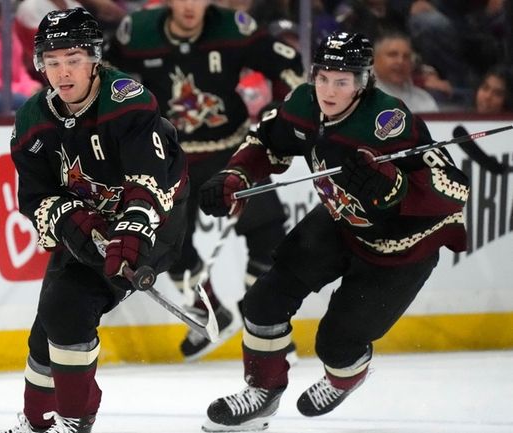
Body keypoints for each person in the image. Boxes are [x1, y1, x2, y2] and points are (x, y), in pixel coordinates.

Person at [197, 31, 469, 431]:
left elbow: (455, 188)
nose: (329, 89)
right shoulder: (304, 103)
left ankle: (346, 375)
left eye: (342, 81)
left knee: (337, 344)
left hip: (401, 249)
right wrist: (235, 176)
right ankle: (262, 392)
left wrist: (395, 188)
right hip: (341, 222)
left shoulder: (388, 122)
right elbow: (265, 141)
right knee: (264, 300)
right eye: (323, 77)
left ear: (362, 83)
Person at [4, 7, 188, 433]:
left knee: (66, 309)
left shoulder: (127, 101)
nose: (63, 73)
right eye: (52, 62)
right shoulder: (33, 120)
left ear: (94, 59)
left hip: (155, 222)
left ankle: (74, 419)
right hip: (88, 222)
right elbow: (35, 196)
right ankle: (39, 423)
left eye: (73, 60)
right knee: (48, 326)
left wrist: (131, 230)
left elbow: (148, 181)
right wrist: (68, 217)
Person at [104, 0, 304, 361]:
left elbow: (286, 60)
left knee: (269, 230)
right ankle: (209, 308)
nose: (189, 6)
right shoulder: (137, 33)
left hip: (228, 151)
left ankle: (261, 317)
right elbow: (103, 76)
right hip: (164, 154)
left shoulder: (233, 29)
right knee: (164, 242)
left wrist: (283, 114)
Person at [372, 31, 439, 113]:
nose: (400, 61)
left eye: (406, 56)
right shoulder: (361, 99)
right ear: (374, 59)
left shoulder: (424, 100)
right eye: (392, 55)